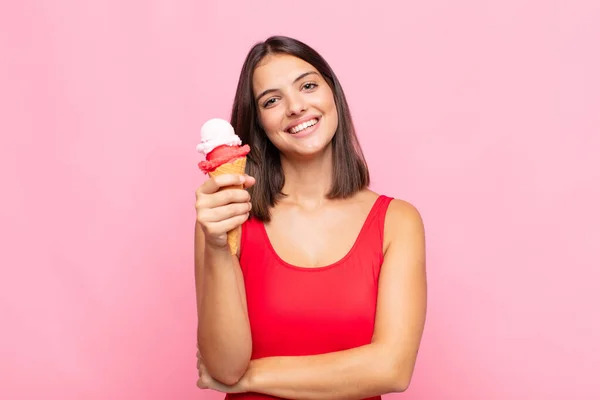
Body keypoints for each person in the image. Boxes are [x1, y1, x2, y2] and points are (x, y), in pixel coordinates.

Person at [194, 35, 427, 400]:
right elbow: (224, 366)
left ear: (333, 93)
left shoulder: (398, 221)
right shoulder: (227, 218)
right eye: (272, 100)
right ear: (258, 123)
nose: (296, 107)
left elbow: (392, 369)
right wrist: (218, 246)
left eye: (307, 85)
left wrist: (250, 379)